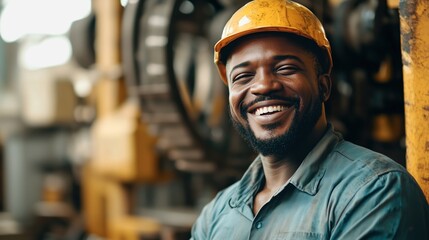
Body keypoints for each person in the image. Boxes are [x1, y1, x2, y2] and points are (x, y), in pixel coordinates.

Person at [190, 0, 429, 239]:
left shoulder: (374, 192)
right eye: (243, 76)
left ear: (324, 86)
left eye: (285, 68)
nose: (263, 86)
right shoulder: (217, 214)